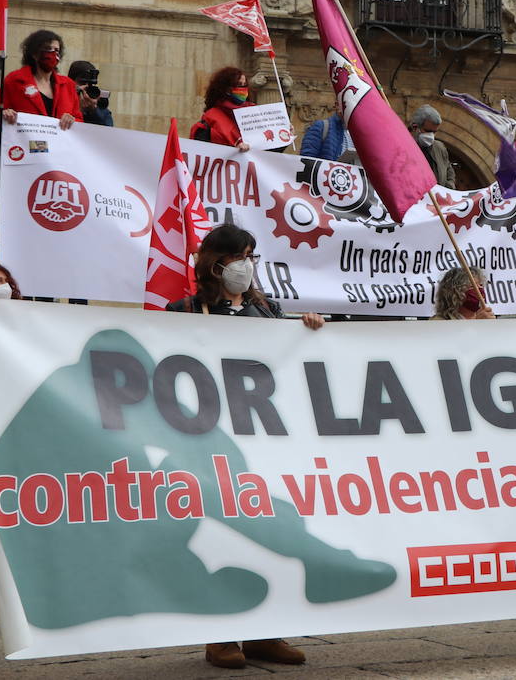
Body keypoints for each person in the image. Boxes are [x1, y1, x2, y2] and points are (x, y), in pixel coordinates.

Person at [167, 222, 321, 669]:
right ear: (215, 261)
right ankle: (221, 636)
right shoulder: (184, 310)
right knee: (221, 536)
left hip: (262, 443)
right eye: (239, 256)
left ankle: (265, 633)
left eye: (252, 256)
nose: (246, 266)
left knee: (266, 534)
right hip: (210, 444)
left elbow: (289, 362)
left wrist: (308, 328)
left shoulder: (267, 309)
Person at [0, 29, 83, 132]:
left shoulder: (68, 85)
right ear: (34, 53)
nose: (53, 54)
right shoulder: (14, 81)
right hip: (25, 145)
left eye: (57, 50)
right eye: (48, 49)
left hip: (59, 146)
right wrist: (2, 115)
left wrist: (73, 120)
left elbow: (79, 120)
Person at [191, 66, 253, 152]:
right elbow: (200, 151)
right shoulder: (210, 119)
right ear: (226, 89)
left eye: (244, 85)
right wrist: (233, 151)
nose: (242, 89)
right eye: (238, 85)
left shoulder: (255, 113)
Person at [407, 105, 455, 189]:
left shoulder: (440, 148)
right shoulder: (403, 148)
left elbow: (448, 170)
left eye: (434, 132)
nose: (431, 136)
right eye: (428, 131)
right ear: (415, 127)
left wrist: (449, 187)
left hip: (438, 200)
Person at [67, 60, 113, 127]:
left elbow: (108, 130)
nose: (86, 89)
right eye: (82, 83)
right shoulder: (62, 100)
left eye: (90, 85)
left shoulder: (102, 110)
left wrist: (93, 111)